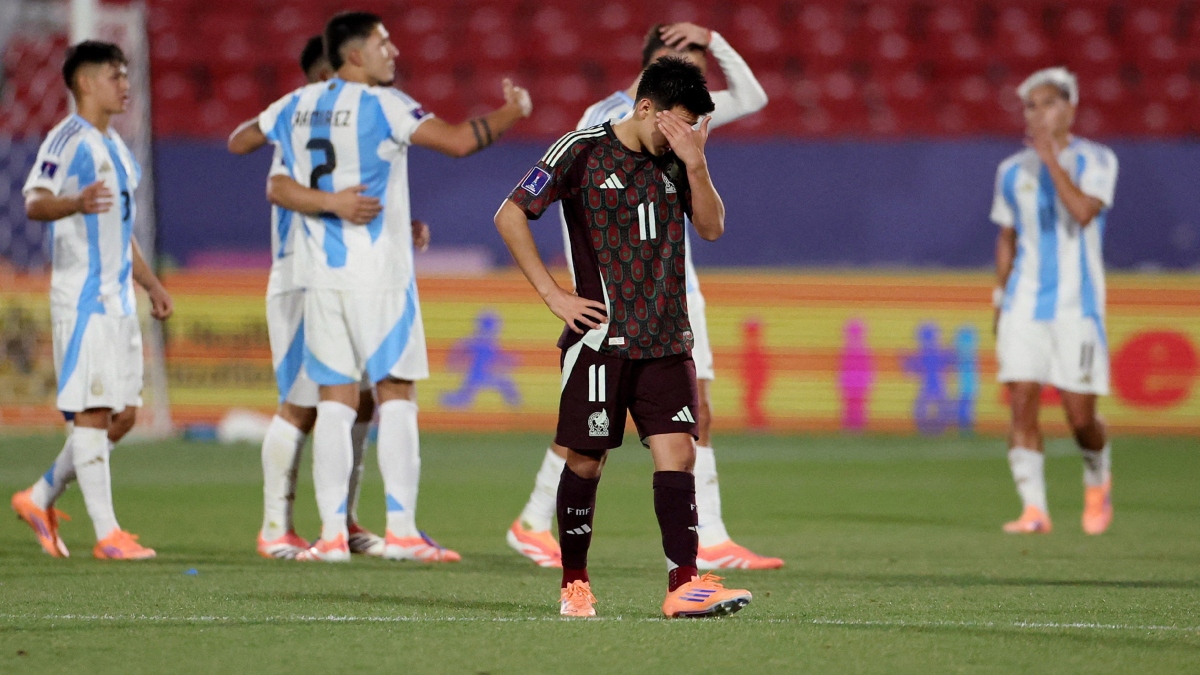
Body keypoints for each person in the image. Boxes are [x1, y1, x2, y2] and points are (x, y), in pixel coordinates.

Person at [229, 11, 532, 562]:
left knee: (336, 400)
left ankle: (328, 537)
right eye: (382, 42)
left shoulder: (295, 106)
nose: (393, 50)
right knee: (394, 392)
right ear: (354, 56)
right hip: (377, 276)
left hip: (320, 277)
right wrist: (514, 110)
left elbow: (241, 141)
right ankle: (402, 531)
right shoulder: (386, 104)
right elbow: (461, 142)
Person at [506, 22, 781, 571]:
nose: (701, 68)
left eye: (704, 58)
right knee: (588, 439)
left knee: (687, 419)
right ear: (653, 70)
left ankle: (705, 544)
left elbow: (749, 106)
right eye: (688, 56)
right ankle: (543, 528)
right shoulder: (603, 125)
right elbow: (569, 205)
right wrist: (569, 291)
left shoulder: (684, 126)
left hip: (670, 286)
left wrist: (712, 34)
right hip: (611, 300)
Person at [11, 41, 173, 560]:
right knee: (93, 411)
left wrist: (150, 283)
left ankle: (39, 497)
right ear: (84, 83)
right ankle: (108, 536)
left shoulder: (118, 149)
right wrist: (73, 202)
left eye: (126, 76)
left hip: (120, 300)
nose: (125, 85)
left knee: (121, 418)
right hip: (83, 300)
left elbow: (119, 230)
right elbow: (35, 201)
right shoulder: (68, 139)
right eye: (114, 76)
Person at [251, 36, 385, 560]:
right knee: (306, 403)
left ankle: (342, 519)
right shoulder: (300, 128)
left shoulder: (347, 132)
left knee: (363, 398)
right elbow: (279, 187)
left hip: (344, 277)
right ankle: (274, 526)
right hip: (304, 277)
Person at [991, 67, 1117, 535]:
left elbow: (1083, 213)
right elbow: (1007, 236)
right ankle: (1034, 509)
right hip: (1023, 304)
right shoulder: (1010, 171)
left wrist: (1050, 160)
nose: (1036, 113)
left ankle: (1097, 477)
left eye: (1046, 103)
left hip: (1076, 308)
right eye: (1030, 106)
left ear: (1070, 108)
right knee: (1021, 399)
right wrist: (1000, 296)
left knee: (1080, 417)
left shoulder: (1097, 160)